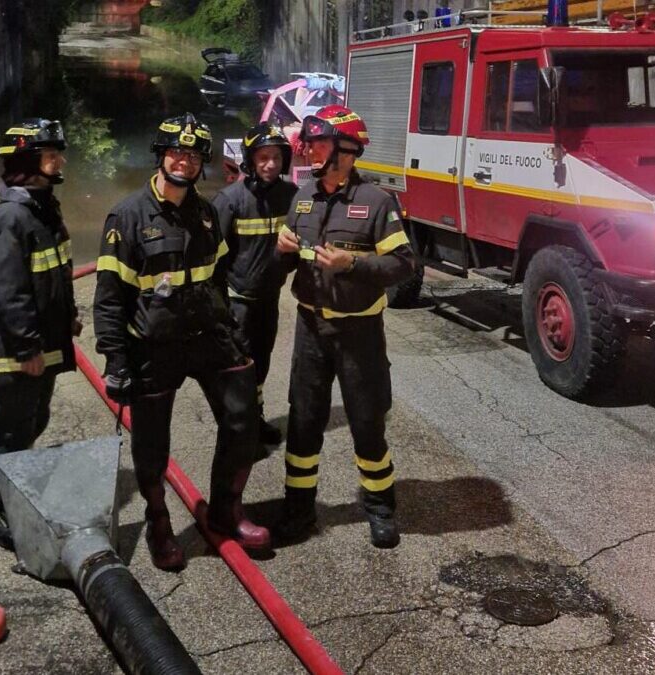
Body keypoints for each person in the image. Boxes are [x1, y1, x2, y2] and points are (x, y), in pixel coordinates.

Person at [93, 112, 270, 571]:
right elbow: (109, 299)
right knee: (152, 444)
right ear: (160, 155)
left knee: (243, 419)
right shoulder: (128, 216)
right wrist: (116, 360)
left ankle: (226, 510)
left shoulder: (206, 213)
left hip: (209, 337)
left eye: (193, 155)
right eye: (176, 152)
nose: (184, 161)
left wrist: (232, 329)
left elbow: (219, 277)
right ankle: (158, 523)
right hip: (154, 346)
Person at [274, 105, 415, 549]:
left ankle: (380, 509)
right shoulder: (303, 198)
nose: (309, 151)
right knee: (303, 422)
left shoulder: (377, 202)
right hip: (311, 331)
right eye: (309, 144)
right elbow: (284, 264)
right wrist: (280, 250)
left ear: (347, 151)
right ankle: (299, 510)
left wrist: (352, 263)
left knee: (367, 423)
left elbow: (404, 265)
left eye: (319, 144)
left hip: (360, 336)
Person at [0, 118, 81, 550]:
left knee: (34, 420)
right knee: (11, 431)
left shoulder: (41, 207)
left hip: (42, 344)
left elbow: (54, 274)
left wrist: (68, 316)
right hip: (18, 352)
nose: (59, 162)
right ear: (26, 161)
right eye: (50, 155)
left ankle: (15, 487)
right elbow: (10, 292)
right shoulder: (11, 218)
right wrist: (26, 348)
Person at [212, 124, 298, 446]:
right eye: (263, 158)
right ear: (250, 161)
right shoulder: (230, 200)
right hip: (237, 303)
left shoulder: (291, 196)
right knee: (239, 368)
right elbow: (211, 259)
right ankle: (238, 434)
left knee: (261, 362)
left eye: (276, 157)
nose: (270, 164)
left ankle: (255, 421)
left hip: (268, 299)